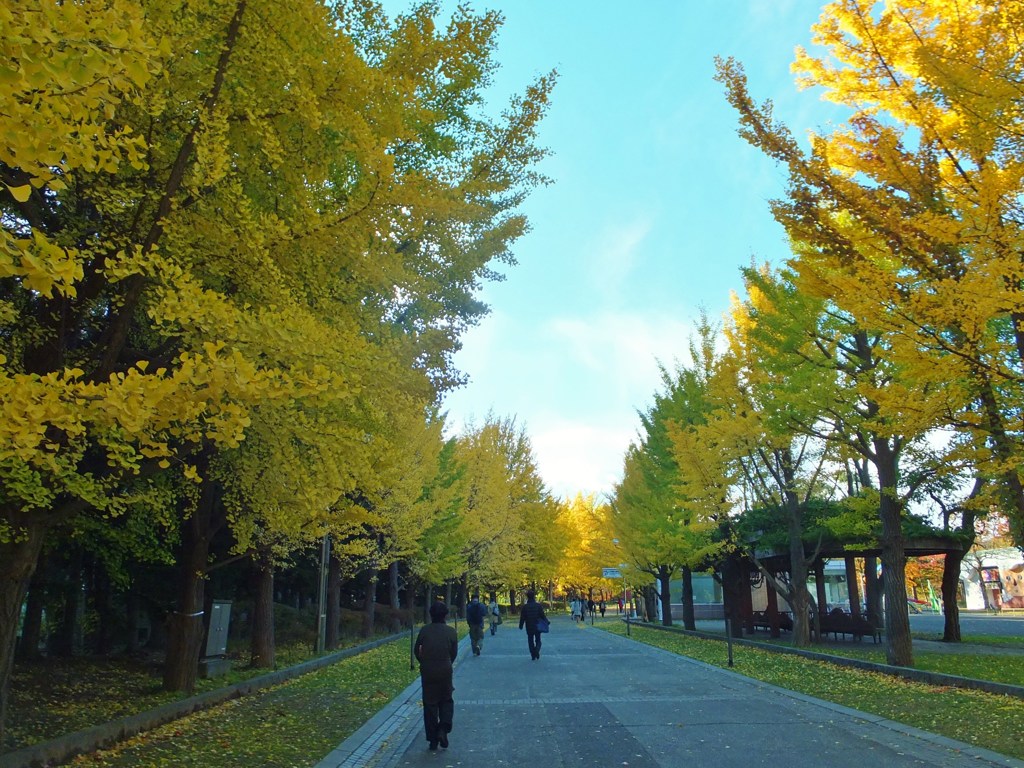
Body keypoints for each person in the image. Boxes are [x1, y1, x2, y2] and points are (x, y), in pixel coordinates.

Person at [415, 601, 458, 751]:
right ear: (445, 615)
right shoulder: (451, 631)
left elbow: (416, 650)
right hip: (445, 669)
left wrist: (424, 661)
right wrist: (447, 662)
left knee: (430, 704)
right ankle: (443, 729)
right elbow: (454, 653)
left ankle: (432, 739)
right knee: (446, 700)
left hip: (428, 670)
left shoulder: (424, 631)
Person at [519, 589, 547, 660]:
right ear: (534, 596)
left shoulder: (525, 607)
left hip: (529, 626)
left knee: (530, 640)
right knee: (538, 639)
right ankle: (537, 650)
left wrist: (521, 625)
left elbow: (522, 617)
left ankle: (532, 654)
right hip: (537, 625)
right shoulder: (538, 606)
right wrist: (546, 621)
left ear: (527, 597)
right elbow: (542, 615)